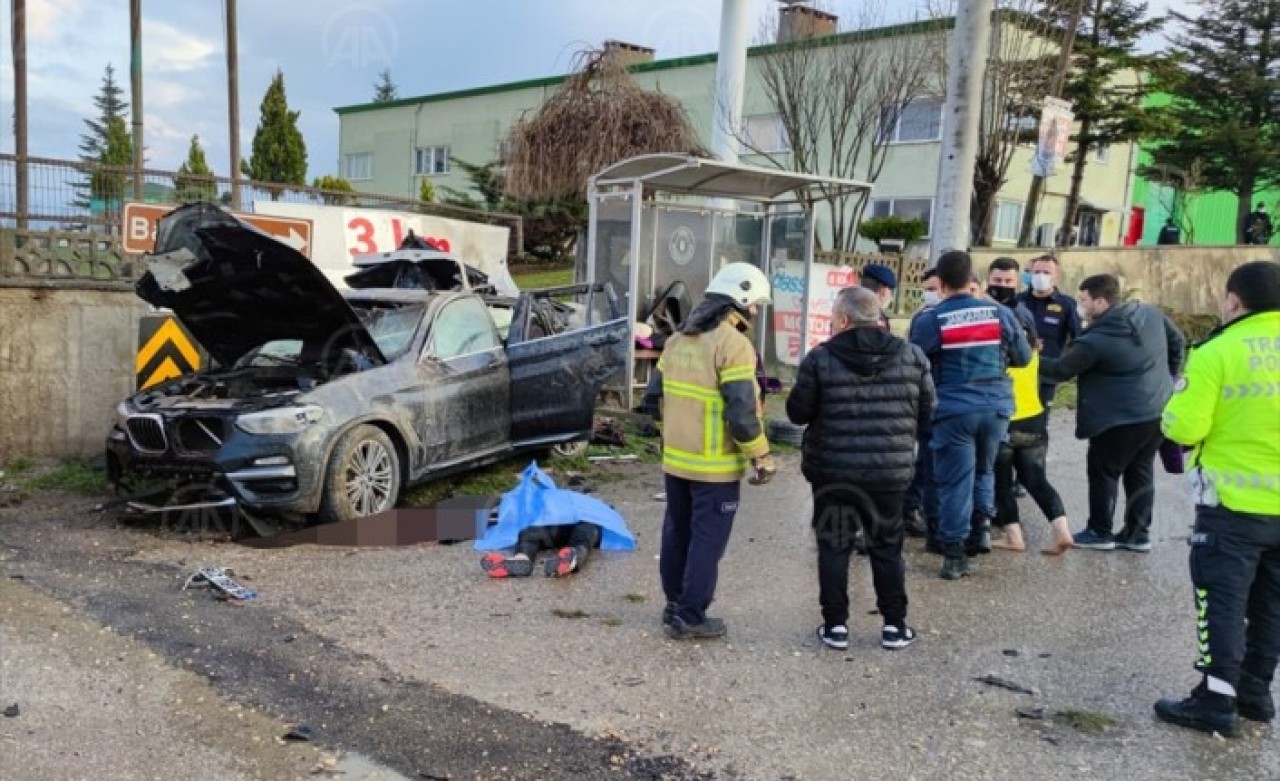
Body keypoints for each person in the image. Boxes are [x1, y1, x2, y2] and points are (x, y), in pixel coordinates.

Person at [1153, 260, 1280, 737]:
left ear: (1233, 301)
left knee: (1222, 600)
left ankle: (1215, 700)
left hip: (1232, 505)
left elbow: (1184, 427)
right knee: (1271, 603)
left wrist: (1170, 418)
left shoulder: (1218, 351)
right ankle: (1255, 693)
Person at [787, 287, 935, 651]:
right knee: (887, 546)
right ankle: (895, 626)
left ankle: (835, 626)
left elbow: (797, 413)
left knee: (835, 546)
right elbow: (929, 414)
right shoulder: (913, 356)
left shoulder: (820, 359)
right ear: (878, 316)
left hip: (833, 473)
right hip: (889, 473)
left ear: (842, 319)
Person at [642, 262, 776, 641]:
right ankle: (691, 615)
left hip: (676, 462)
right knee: (707, 540)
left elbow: (654, 401)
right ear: (741, 302)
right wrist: (761, 457)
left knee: (677, 532)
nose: (754, 313)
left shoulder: (677, 339)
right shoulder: (734, 346)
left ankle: (673, 605)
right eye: (754, 306)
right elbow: (742, 413)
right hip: (714, 467)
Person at [1040, 274, 1186, 551]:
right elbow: (1177, 340)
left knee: (1104, 471)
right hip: (1157, 410)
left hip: (1117, 418)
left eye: (1083, 300)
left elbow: (1060, 370)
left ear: (1100, 301)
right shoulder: (1149, 314)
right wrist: (1169, 376)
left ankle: (1099, 531)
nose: (1079, 305)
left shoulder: (1096, 340)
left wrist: (1029, 358)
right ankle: (1138, 533)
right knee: (1141, 471)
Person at [910, 251, 1032, 580]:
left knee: (954, 481)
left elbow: (915, 363)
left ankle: (954, 554)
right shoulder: (1000, 313)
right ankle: (980, 531)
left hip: (952, 409)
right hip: (995, 407)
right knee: (984, 470)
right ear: (971, 278)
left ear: (942, 283)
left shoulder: (931, 318)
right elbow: (1022, 358)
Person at [986, 260, 1073, 554]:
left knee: (1001, 480)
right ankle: (1061, 529)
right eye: (999, 279)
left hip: (1005, 414)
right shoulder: (1026, 319)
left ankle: (1014, 536)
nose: (1003, 285)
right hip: (1033, 412)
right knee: (1034, 478)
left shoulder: (990, 318)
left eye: (1008, 281)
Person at [902, 269, 942, 542]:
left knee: (929, 462)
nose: (929, 294)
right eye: (925, 288)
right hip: (927, 399)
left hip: (938, 397)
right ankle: (916, 513)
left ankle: (911, 509)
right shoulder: (922, 317)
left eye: (933, 288)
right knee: (927, 461)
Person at [1015, 255, 1082, 406]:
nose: (1041, 276)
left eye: (1046, 273)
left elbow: (1078, 338)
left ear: (1055, 276)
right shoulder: (1017, 301)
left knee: (1039, 422)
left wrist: (1065, 365)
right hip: (1018, 371)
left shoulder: (1067, 305)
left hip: (1047, 375)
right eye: (1037, 271)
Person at [481, 522, 603, 578]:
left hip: (548, 526)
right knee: (584, 536)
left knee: (529, 534)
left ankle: (522, 557)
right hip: (580, 524)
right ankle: (572, 557)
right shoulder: (586, 503)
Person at [860, 263, 898, 329]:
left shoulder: (848, 308)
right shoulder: (876, 319)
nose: (891, 297)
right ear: (884, 291)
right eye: (891, 292)